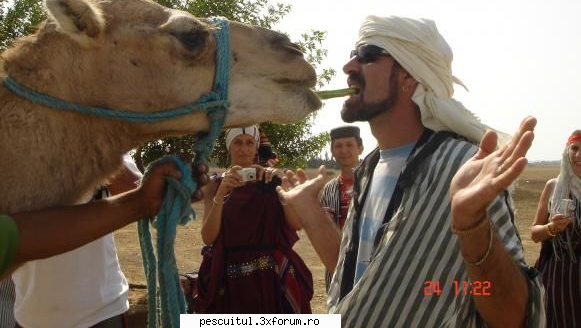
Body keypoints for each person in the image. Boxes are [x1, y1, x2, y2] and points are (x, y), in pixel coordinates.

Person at [277, 15, 545, 327]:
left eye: (366, 56)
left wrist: (471, 225)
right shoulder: (368, 170)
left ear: (408, 77)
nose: (348, 67)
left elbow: (513, 316)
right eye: (353, 55)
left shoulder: (462, 166)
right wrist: (309, 209)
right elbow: (367, 281)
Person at [0, 159, 185, 280]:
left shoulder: (111, 148)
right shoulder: (22, 149)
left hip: (103, 308)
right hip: (31, 315)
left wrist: (99, 150)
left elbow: (142, 191)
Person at [195, 126, 313, 314]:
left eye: (249, 143)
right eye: (238, 143)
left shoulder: (269, 179)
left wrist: (279, 187)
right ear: (229, 147)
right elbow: (208, 237)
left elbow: (295, 225)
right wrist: (221, 194)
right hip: (230, 276)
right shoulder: (215, 183)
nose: (244, 148)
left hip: (272, 276)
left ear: (256, 147)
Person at [532, 130, 581, 327]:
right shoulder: (554, 187)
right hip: (561, 276)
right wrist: (552, 227)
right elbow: (535, 233)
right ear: (566, 152)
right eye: (574, 148)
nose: (578, 156)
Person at [319, 125, 363, 290]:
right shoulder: (328, 189)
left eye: (349, 145)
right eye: (338, 146)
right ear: (332, 151)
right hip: (336, 263)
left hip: (368, 260)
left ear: (360, 148)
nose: (344, 150)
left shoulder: (375, 181)